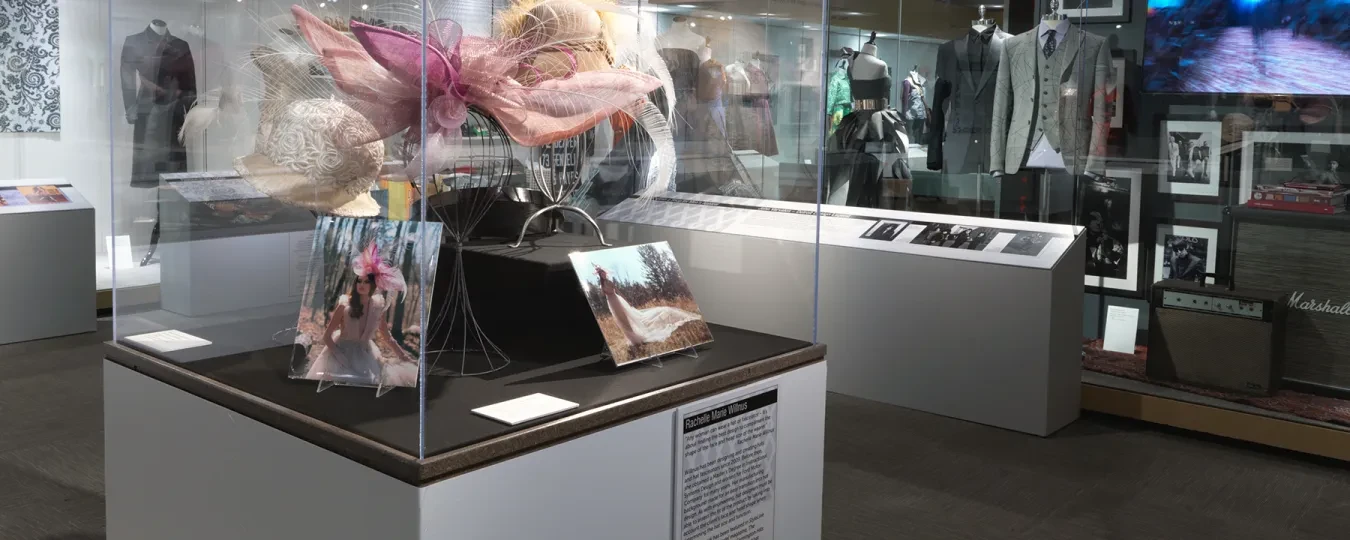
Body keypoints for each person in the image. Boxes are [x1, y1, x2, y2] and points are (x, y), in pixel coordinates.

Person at [305, 243, 417, 387]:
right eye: (359, 281)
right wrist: (339, 355)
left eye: (366, 282)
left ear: (373, 285)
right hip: (340, 352)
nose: (362, 285)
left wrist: (404, 356)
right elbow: (326, 337)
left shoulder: (377, 307)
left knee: (372, 383)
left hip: (366, 354)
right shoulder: (345, 305)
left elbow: (386, 336)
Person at [594, 265, 702, 358]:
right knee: (620, 319)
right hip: (611, 302)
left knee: (628, 316)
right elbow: (604, 294)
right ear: (600, 275)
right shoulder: (602, 284)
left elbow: (617, 291)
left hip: (617, 300)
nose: (604, 275)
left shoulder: (609, 281)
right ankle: (632, 338)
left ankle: (637, 336)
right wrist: (603, 286)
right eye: (602, 274)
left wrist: (626, 300)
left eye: (604, 273)